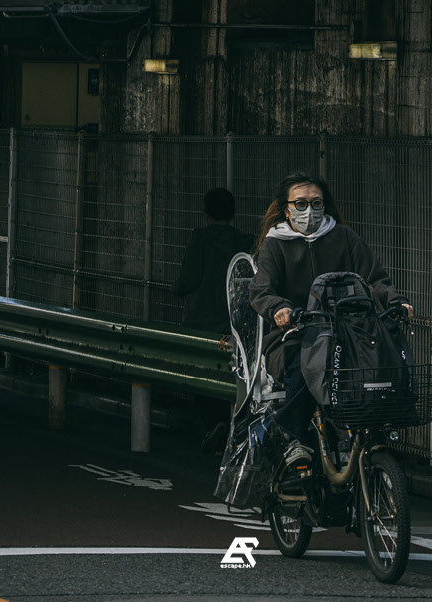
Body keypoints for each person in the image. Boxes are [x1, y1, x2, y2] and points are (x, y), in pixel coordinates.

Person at [249, 172, 410, 466]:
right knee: (304, 364)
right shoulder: (276, 243)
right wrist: (278, 308)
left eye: (316, 203)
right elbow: (261, 289)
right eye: (300, 203)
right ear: (286, 208)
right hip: (295, 332)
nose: (308, 211)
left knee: (377, 361)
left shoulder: (343, 237)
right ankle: (293, 436)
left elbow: (375, 277)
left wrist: (396, 301)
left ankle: (364, 429)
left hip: (346, 332)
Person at [174, 187, 250, 334]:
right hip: (232, 323)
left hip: (199, 322)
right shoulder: (244, 242)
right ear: (232, 215)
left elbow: (187, 281)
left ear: (206, 214)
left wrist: (177, 288)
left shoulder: (199, 239)